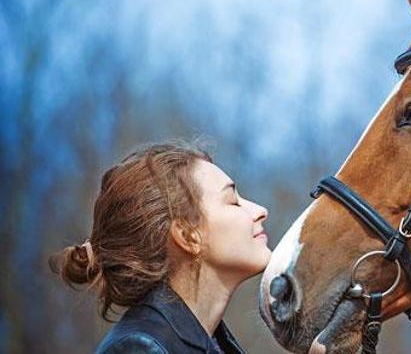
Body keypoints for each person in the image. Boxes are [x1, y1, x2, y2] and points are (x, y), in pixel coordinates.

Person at [49, 141, 270, 353]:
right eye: (233, 201)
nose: (260, 210)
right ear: (188, 236)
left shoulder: (215, 343)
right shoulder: (140, 349)